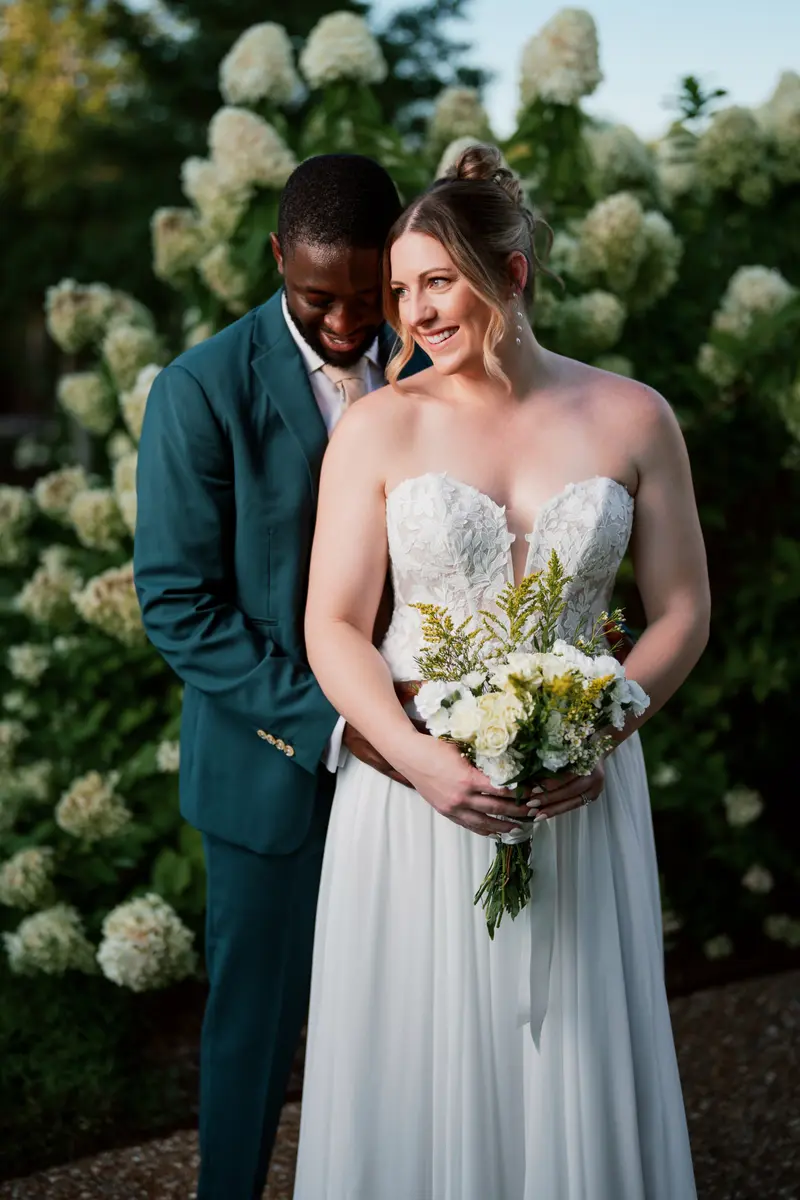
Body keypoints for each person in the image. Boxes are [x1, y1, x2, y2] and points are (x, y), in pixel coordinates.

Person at [297, 145, 709, 1199]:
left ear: (509, 274)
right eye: (400, 290)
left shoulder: (633, 416)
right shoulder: (377, 425)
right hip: (416, 804)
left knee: (569, 1053)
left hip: (581, 797)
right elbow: (334, 627)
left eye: (435, 279)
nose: (414, 311)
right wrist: (415, 760)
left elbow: (681, 611)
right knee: (419, 1057)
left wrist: (601, 724)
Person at [133, 154, 427, 1199]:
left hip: (425, 763)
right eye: (319, 297)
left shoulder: (436, 367)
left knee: (413, 1025)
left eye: (368, 292)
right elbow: (177, 604)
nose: (349, 321)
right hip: (277, 771)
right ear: (274, 259)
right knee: (255, 1033)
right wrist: (343, 727)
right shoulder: (201, 390)